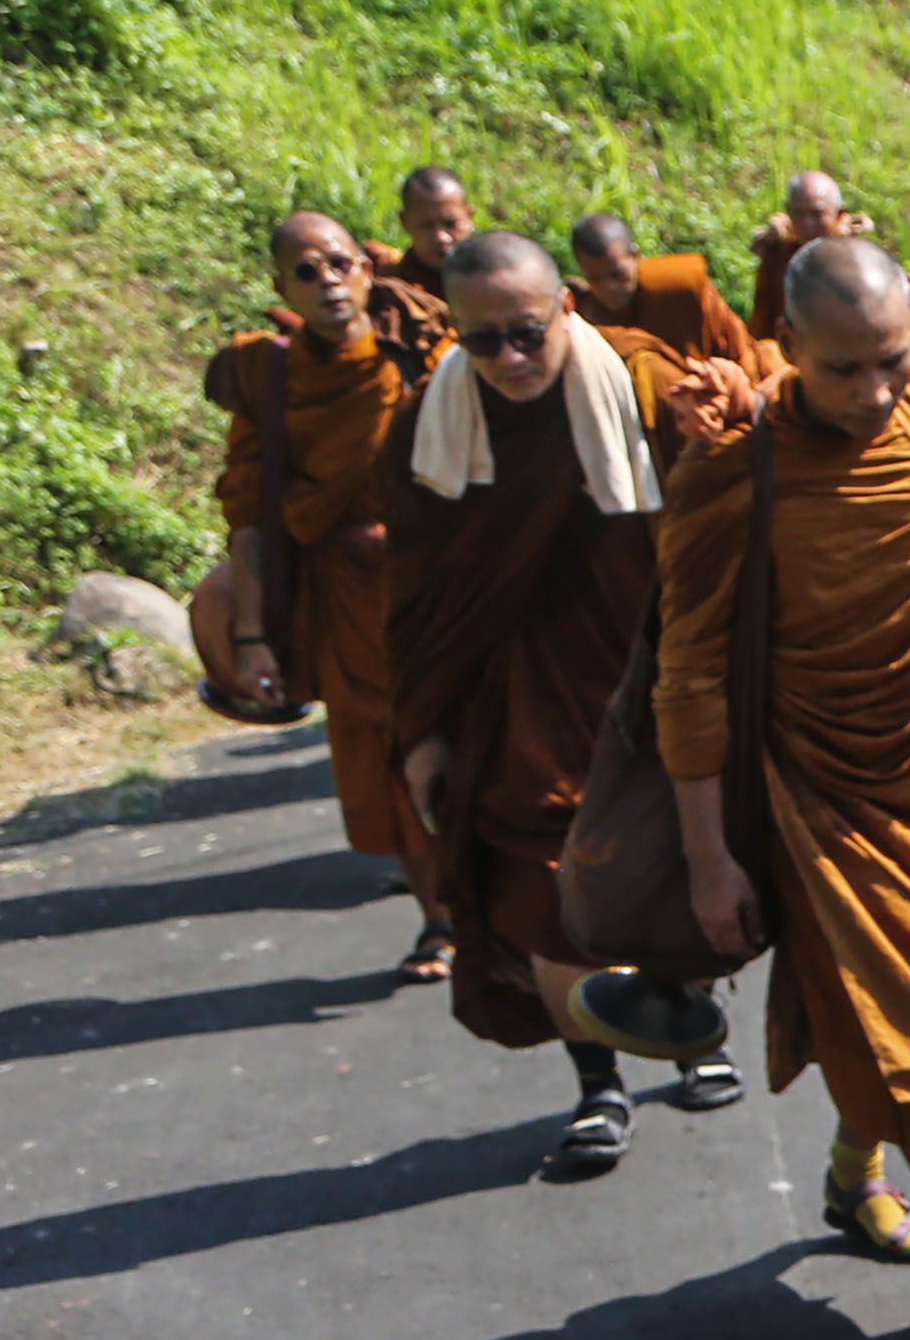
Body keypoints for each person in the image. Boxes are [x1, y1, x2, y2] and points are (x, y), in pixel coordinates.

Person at [655, 238, 910, 1340]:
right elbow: (689, 668)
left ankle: (849, 1172)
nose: (874, 391)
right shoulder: (734, 465)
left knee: (908, 1013)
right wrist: (706, 857)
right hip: (817, 796)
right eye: (844, 371)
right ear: (786, 349)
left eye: (891, 360)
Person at [383, 228, 729, 1169]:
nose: (510, 358)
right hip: (516, 689)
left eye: (528, 332)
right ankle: (598, 1083)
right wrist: (421, 730)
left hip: (650, 666)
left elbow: (735, 491)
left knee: (674, 855)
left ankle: (688, 1026)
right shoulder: (430, 423)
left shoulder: (651, 385)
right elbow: (412, 593)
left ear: (567, 308)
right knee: (539, 885)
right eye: (483, 341)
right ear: (452, 333)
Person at [196, 212, 434, 964]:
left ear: (367, 268)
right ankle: (444, 918)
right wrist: (251, 632)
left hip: (434, 585)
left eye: (338, 263)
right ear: (282, 288)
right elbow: (250, 510)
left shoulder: (424, 351)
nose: (327, 281)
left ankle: (492, 906)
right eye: (306, 271)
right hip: (343, 592)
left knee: (465, 741)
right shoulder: (267, 379)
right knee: (384, 756)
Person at [571, 217, 756, 372]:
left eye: (617, 274)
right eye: (595, 278)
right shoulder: (585, 317)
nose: (608, 288)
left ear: (635, 257)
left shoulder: (679, 287)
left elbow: (739, 349)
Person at [745, 167, 870, 340]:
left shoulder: (856, 260)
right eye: (798, 214)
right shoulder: (779, 258)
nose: (807, 224)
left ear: (839, 214)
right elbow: (762, 324)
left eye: (817, 214)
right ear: (788, 212)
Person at [371, 165, 472, 326]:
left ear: (469, 216)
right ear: (405, 222)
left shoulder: (494, 276)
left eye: (450, 224)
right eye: (426, 226)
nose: (441, 237)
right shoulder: (395, 287)